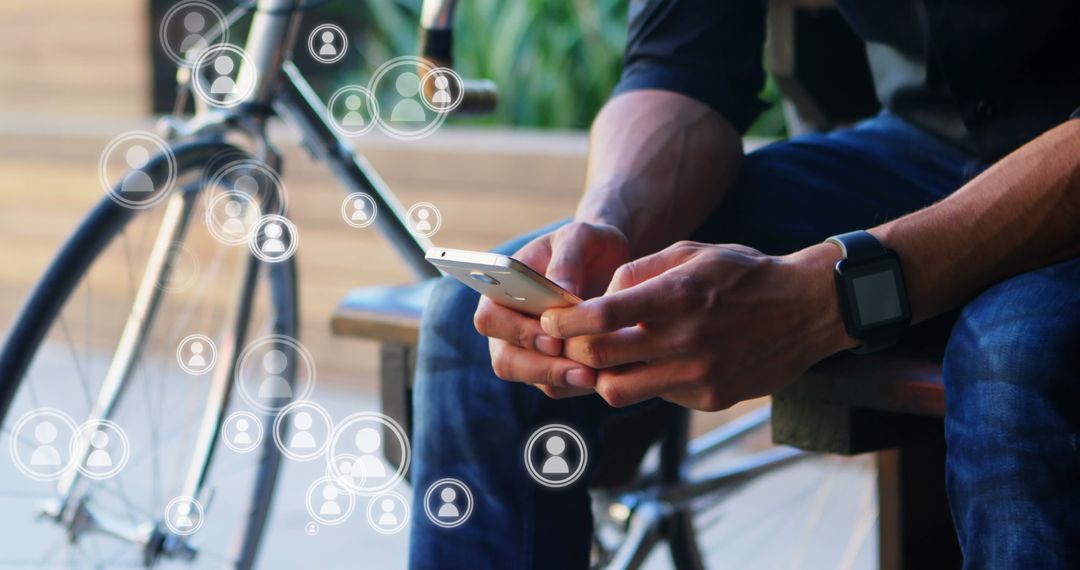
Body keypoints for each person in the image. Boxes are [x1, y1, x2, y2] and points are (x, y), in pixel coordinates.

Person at [409, 1, 1080, 568]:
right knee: (475, 326)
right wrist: (608, 225)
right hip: (925, 144)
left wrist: (837, 296)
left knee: (1017, 357)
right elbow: (683, 67)